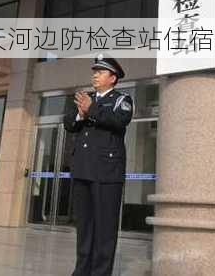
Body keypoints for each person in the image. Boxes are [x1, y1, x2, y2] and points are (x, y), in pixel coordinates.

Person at [63, 55, 134, 276]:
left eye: (100, 72)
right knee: (84, 228)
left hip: (106, 172)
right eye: (94, 71)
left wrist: (91, 109)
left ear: (112, 78)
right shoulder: (87, 99)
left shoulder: (122, 100)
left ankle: (100, 273)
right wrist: (80, 112)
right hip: (83, 170)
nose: (95, 74)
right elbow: (69, 124)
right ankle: (82, 271)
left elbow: (118, 121)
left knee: (104, 229)